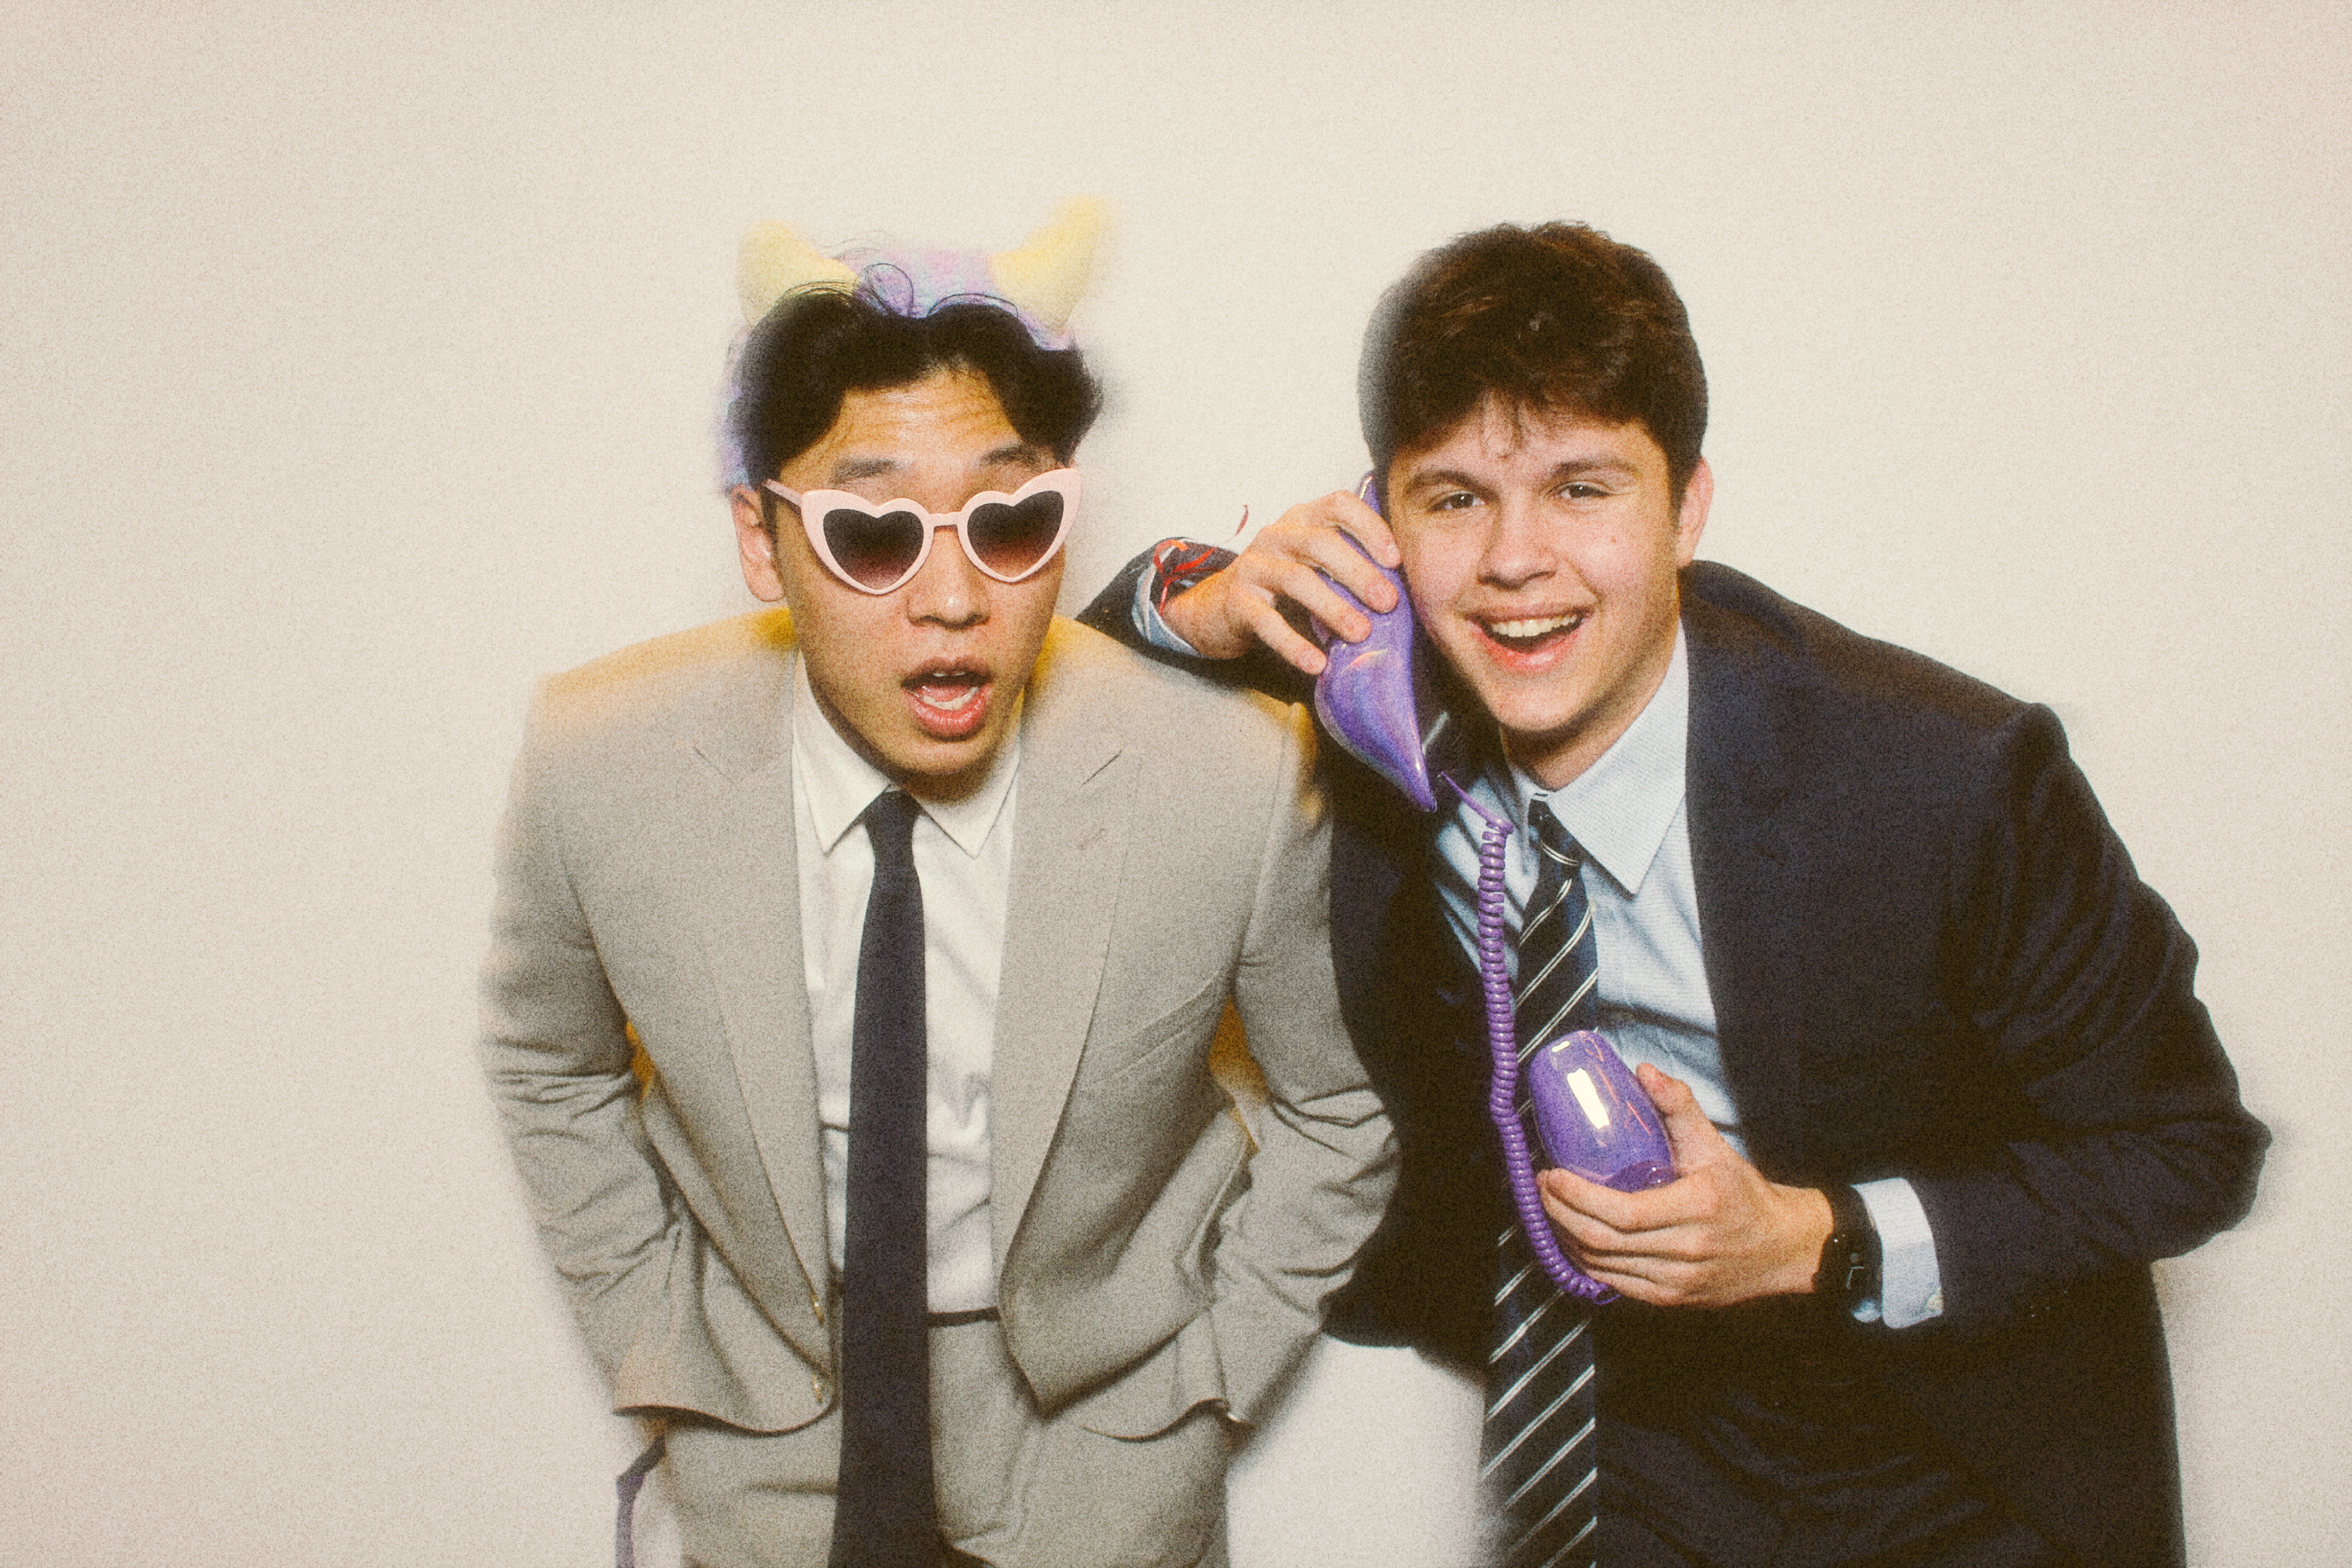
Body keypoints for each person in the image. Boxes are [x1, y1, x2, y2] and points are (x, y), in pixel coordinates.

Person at [1079, 221, 2266, 1568]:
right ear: (1383, 520)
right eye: (1454, 497)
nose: (1516, 562)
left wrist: (1811, 1241)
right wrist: (1203, 602)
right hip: (1622, 1425)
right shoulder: (1380, 692)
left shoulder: (1947, 781)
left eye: (1583, 489)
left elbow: (2190, 1149)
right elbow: (1060, 695)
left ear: (1688, 505)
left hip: (1937, 1442)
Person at [478, 204, 1394, 1568]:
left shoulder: (1233, 775)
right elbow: (547, 1067)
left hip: (1104, 1433)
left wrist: (1209, 1383)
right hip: (772, 1426)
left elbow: (1338, 1107)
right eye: (873, 534)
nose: (953, 597)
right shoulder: (598, 760)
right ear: (761, 536)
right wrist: (657, 1336)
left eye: (1010, 520)